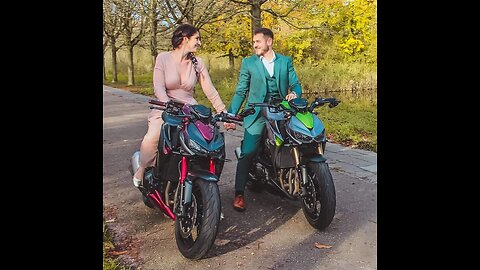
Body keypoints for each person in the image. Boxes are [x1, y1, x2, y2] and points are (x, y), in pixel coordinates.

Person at [133, 24, 227, 187]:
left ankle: (199, 176)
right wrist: (167, 104)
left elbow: (209, 89)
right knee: (154, 135)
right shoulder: (163, 58)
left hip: (190, 109)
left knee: (208, 137)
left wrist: (222, 111)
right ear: (185, 39)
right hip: (166, 107)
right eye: (196, 39)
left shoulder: (197, 62)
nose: (199, 43)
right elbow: (158, 87)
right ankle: (142, 168)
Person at [224, 27, 302, 212]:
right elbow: (241, 90)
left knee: (296, 141)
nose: (254, 45)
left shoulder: (285, 61)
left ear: (269, 41)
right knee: (248, 151)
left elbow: (296, 84)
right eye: (253, 43)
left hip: (281, 109)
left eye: (257, 42)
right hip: (257, 111)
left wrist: (294, 94)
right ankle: (239, 192)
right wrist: (231, 114)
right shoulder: (248, 63)